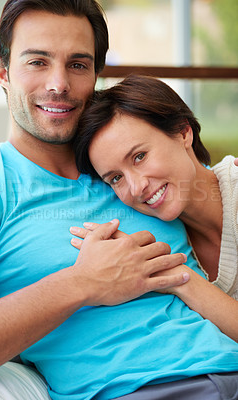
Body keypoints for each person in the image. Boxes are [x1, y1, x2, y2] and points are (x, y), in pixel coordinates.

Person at [0, 1, 238, 399]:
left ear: (96, 75)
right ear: (2, 71)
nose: (58, 83)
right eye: (37, 62)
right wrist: (81, 283)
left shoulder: (138, 178)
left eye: (78, 64)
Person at [74, 73, 238, 340]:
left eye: (139, 156)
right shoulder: (171, 236)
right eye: (116, 178)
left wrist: (178, 278)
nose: (137, 187)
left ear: (183, 133)